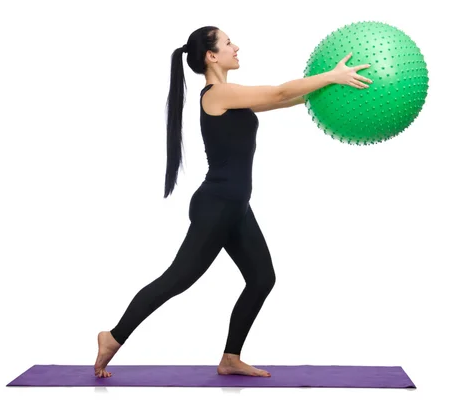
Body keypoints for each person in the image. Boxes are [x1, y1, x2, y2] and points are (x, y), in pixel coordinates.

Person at [94, 26, 372, 379]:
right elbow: (280, 90)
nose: (236, 47)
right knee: (177, 280)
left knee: (261, 278)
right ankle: (112, 337)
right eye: (228, 43)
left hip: (234, 206)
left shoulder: (231, 95)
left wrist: (331, 87)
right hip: (218, 205)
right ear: (211, 56)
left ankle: (230, 358)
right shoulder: (216, 94)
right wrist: (331, 75)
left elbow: (284, 99)